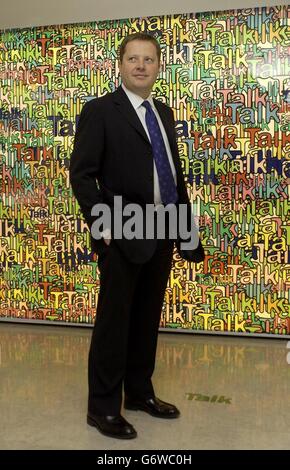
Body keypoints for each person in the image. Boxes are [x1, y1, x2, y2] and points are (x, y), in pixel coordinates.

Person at [69, 32, 204, 440]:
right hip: (124, 227)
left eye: (148, 59)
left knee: (146, 318)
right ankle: (102, 408)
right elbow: (82, 175)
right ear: (121, 64)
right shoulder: (100, 111)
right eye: (133, 58)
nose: (141, 65)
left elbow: (172, 176)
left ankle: (140, 393)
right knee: (115, 322)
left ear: (158, 66)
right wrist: (104, 225)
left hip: (163, 228)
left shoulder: (163, 113)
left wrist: (184, 230)